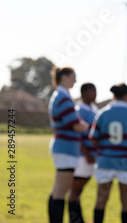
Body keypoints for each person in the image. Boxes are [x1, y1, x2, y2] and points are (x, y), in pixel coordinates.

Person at [90, 83, 127, 223]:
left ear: (113, 95)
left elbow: (94, 139)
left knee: (101, 201)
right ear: (126, 96)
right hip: (126, 162)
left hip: (105, 161)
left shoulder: (102, 114)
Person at [48, 66, 89, 223]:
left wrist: (81, 124)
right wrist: (84, 125)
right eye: (73, 76)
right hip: (65, 148)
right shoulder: (63, 97)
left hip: (64, 148)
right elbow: (76, 125)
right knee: (60, 193)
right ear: (64, 77)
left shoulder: (60, 95)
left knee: (57, 192)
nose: (76, 80)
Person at [68, 82, 98, 223]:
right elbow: (76, 135)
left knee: (78, 191)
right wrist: (86, 153)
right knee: (75, 191)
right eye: (92, 91)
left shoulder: (94, 110)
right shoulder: (79, 110)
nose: (95, 94)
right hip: (82, 157)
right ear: (84, 93)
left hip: (92, 157)